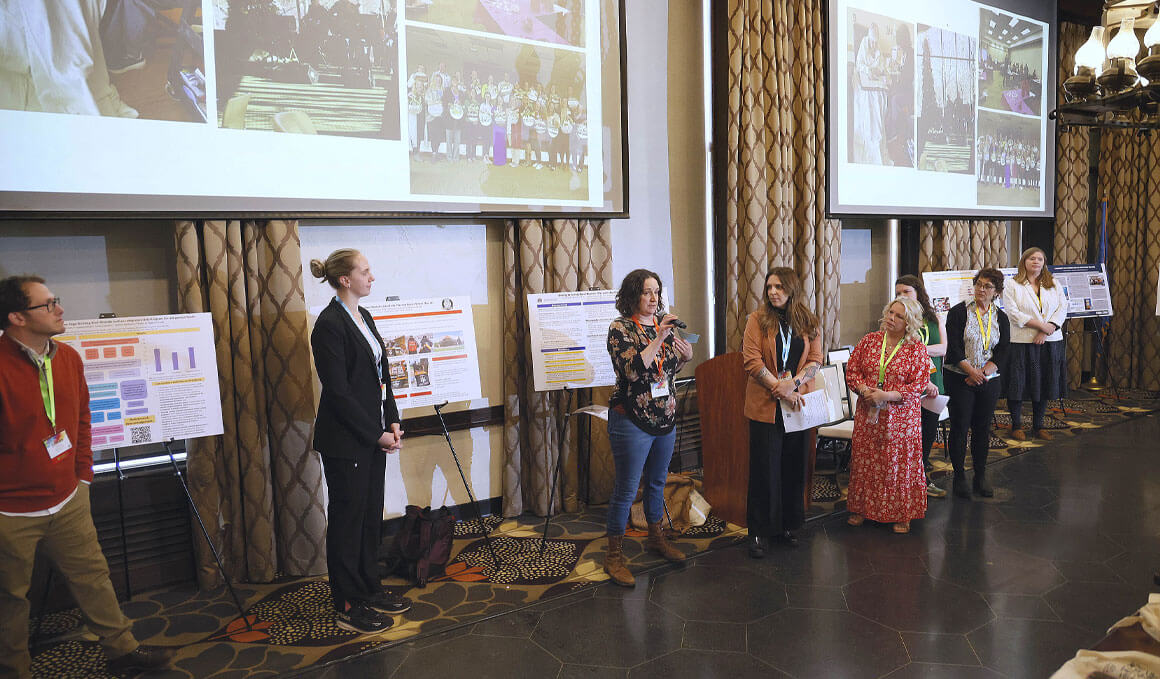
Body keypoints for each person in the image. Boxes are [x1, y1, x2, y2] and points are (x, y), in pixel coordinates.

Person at [0, 275, 173, 676]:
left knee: (93, 578)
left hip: (68, 497)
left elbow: (81, 420)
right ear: (17, 317)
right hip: (11, 510)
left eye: (55, 300)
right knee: (9, 598)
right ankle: (14, 670)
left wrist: (82, 474)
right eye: (48, 304)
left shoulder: (68, 358)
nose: (60, 309)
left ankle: (122, 651)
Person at [309, 250, 411, 634]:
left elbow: (382, 375)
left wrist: (393, 419)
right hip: (346, 442)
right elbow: (338, 393)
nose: (372, 277)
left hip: (371, 436)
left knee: (369, 517)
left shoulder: (363, 316)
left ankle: (369, 588)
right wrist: (376, 434)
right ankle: (347, 604)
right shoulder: (329, 325)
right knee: (348, 524)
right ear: (345, 280)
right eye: (365, 271)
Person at [603, 269, 694, 587]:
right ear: (633, 295)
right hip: (631, 419)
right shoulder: (620, 328)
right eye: (647, 292)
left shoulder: (660, 325)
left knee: (657, 482)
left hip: (664, 418)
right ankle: (614, 556)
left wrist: (685, 357)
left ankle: (656, 538)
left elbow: (664, 371)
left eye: (657, 291)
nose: (654, 298)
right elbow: (632, 370)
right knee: (627, 490)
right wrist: (658, 338)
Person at [742, 268, 823, 557]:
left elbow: (815, 359)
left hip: (796, 403)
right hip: (766, 405)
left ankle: (786, 525)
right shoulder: (757, 319)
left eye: (779, 287)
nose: (773, 292)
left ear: (792, 289)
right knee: (764, 470)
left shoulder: (809, 321)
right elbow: (751, 360)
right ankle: (759, 532)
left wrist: (794, 384)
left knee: (793, 467)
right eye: (769, 287)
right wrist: (780, 387)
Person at [845, 297, 932, 533]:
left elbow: (919, 384)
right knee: (866, 461)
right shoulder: (870, 341)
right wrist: (865, 391)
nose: (891, 318)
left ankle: (901, 513)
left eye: (899, 316)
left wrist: (887, 395)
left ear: (909, 322)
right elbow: (852, 370)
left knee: (897, 463)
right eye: (890, 312)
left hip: (901, 418)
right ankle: (861, 509)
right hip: (868, 412)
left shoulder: (916, 349)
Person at [943, 267, 1010, 499]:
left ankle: (980, 475)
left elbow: (1003, 349)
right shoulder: (958, 312)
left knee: (982, 428)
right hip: (959, 377)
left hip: (988, 379)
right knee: (960, 427)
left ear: (996, 292)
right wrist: (971, 371)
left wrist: (984, 372)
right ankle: (959, 476)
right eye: (979, 284)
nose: (981, 289)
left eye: (987, 286)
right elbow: (953, 348)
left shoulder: (1001, 317)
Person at [1003, 247, 1068, 441]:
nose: (1036, 262)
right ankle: (1016, 425)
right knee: (1018, 384)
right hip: (1021, 341)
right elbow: (1012, 313)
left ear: (1044, 263)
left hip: (1050, 340)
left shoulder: (1053, 283)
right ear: (1024, 261)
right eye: (1032, 258)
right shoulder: (1012, 284)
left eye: (1040, 259)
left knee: (1044, 383)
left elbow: (1062, 307)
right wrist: (1040, 326)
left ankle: (1038, 426)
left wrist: (1047, 329)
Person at [894, 275, 948, 498]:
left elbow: (943, 349)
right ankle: (907, 483)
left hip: (934, 384)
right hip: (908, 386)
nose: (902, 296)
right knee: (908, 438)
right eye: (898, 293)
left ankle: (921, 479)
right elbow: (899, 353)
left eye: (906, 291)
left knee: (927, 435)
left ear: (918, 293)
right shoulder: (898, 320)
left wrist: (918, 350)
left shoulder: (934, 318)